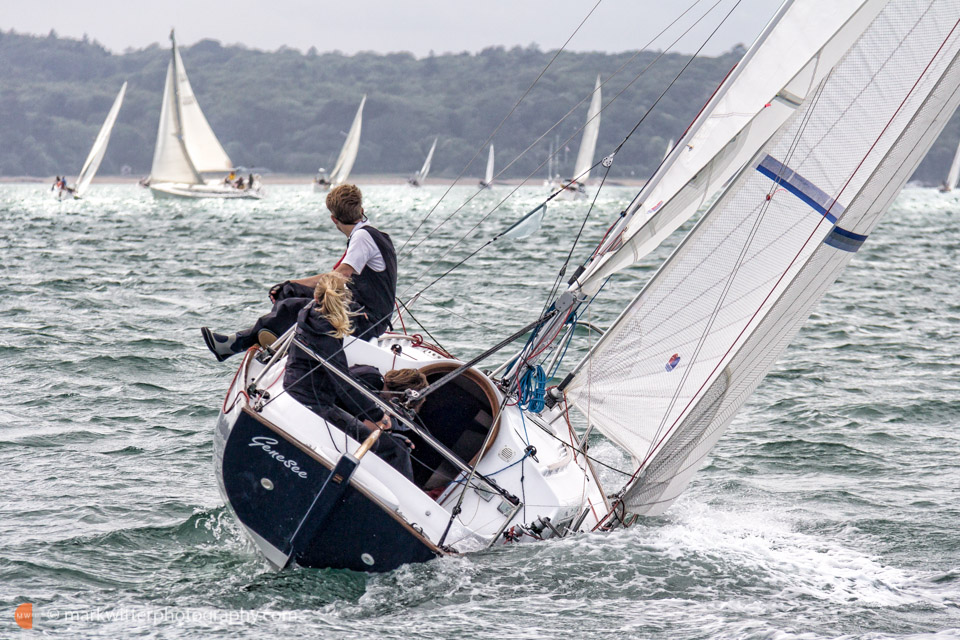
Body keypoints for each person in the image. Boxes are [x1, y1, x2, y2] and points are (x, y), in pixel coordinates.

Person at [201, 184, 397, 361]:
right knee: (289, 291)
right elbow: (337, 275)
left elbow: (340, 275)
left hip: (366, 320)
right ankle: (261, 340)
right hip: (364, 313)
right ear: (361, 210)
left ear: (333, 219)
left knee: (289, 306)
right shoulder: (372, 234)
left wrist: (301, 288)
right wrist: (292, 284)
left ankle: (242, 343)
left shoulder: (362, 237)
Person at [284, 273, 412, 479]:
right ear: (346, 303)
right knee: (395, 449)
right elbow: (343, 383)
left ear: (317, 298)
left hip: (300, 392)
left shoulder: (309, 314)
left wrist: (368, 414)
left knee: (384, 437)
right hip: (313, 404)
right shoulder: (325, 333)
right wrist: (376, 416)